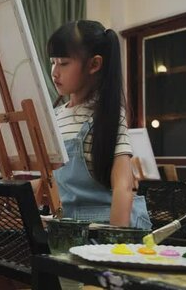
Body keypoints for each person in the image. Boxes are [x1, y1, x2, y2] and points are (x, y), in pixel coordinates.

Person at [34, 20, 151, 229]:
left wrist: (115, 246)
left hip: (107, 226)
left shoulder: (108, 116)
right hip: (70, 226)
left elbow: (123, 187)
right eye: (53, 62)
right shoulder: (55, 116)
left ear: (94, 64)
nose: (54, 72)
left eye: (64, 63)